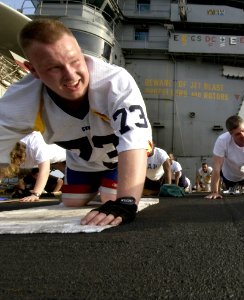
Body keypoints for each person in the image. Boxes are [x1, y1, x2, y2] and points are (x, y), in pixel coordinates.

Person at [0, 19, 152, 226]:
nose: (71, 76)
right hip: (82, 161)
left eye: (75, 61)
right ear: (32, 70)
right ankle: (94, 183)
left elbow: (134, 140)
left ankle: (115, 183)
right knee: (72, 202)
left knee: (112, 200)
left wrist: (127, 201)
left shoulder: (114, 81)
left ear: (81, 52)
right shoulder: (19, 101)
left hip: (117, 158)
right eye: (54, 68)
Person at [4, 131, 66, 201]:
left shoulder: (35, 143)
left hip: (69, 151)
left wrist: (35, 194)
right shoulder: (6, 147)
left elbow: (45, 171)